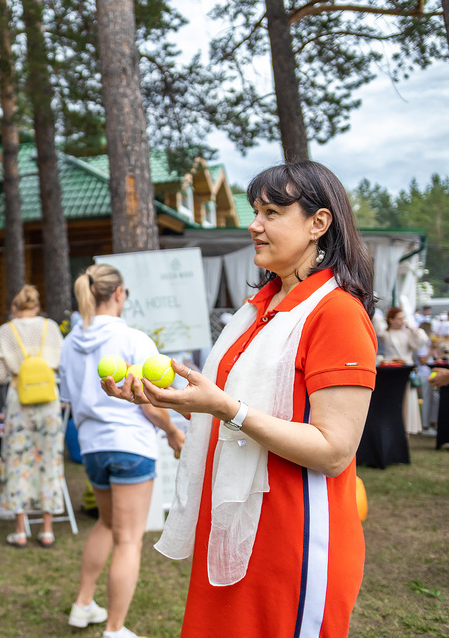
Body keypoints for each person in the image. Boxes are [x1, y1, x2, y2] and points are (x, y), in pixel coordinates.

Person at [106, 161, 377, 636]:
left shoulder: (337, 313)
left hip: (294, 538)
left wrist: (227, 409)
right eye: (255, 211)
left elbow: (334, 452)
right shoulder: (258, 308)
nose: (254, 225)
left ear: (319, 223)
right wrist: (166, 399)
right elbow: (224, 408)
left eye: (272, 212)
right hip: (233, 526)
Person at [59, 264, 185, 638]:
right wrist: (174, 433)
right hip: (130, 445)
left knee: (107, 523)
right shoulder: (134, 338)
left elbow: (69, 398)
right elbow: (150, 403)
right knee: (129, 539)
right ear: (118, 294)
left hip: (92, 447)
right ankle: (114, 629)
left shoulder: (69, 343)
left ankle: (83, 605)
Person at [0, 285, 64, 548]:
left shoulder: (5, 332)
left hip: (19, 399)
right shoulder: (51, 327)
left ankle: (20, 530)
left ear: (14, 307)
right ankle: (47, 530)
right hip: (48, 401)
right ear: (36, 306)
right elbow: (61, 363)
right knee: (49, 459)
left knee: (17, 460)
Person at [379, 305, 428, 435]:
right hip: (390, 370)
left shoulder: (408, 333)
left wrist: (413, 328)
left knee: (408, 397)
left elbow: (420, 342)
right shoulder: (386, 333)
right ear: (391, 319)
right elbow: (377, 324)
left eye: (403, 318)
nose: (402, 321)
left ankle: (406, 428)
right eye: (399, 319)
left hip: (406, 369)